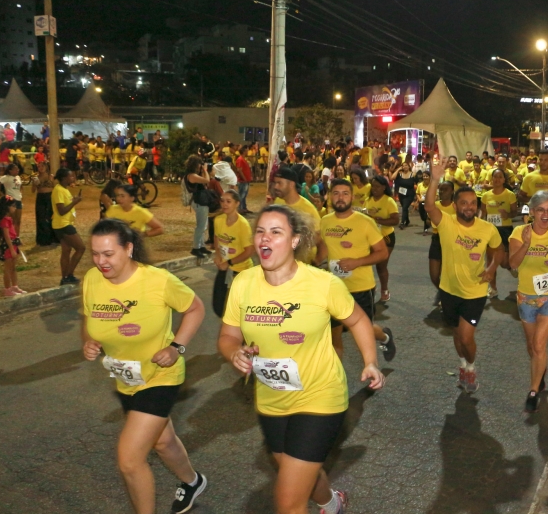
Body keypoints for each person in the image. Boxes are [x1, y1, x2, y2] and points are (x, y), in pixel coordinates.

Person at [218, 205, 385, 514]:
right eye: (260, 231)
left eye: (275, 232)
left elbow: (359, 321)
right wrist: (234, 353)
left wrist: (370, 361)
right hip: (271, 398)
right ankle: (330, 502)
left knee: (288, 501)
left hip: (319, 396)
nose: (264, 239)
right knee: (294, 468)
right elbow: (228, 337)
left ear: (295, 241)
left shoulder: (323, 284)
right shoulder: (244, 283)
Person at [81, 219, 207, 514]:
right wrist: (89, 342)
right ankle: (193, 481)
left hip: (160, 375)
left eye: (109, 254)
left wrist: (177, 347)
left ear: (128, 249)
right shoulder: (91, 278)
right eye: (95, 254)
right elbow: (89, 319)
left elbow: (195, 308)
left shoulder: (157, 280)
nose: (101, 261)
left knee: (129, 459)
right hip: (126, 379)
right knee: (162, 442)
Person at [425, 159, 503, 393]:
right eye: (463, 203)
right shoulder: (446, 223)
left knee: (467, 337)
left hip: (475, 291)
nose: (468, 207)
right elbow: (429, 206)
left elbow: (498, 250)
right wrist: (435, 179)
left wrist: (491, 269)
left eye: (472, 203)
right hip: (448, 290)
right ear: (456, 206)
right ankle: (462, 366)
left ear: (477, 206)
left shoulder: (487, 228)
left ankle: (471, 366)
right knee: (457, 334)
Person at [317, 178, 396, 361]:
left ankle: (384, 337)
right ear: (329, 197)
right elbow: (323, 249)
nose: (340, 198)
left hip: (361, 288)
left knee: (363, 331)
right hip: (334, 288)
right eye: (336, 193)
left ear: (352, 197)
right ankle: (335, 380)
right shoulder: (325, 221)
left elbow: (382, 253)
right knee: (334, 335)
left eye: (345, 193)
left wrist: (357, 262)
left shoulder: (365, 222)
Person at [508, 191, 548, 412]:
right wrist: (526, 244)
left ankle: (533, 391)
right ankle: (540, 372)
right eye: (541, 210)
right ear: (532, 211)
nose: (545, 214)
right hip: (526, 297)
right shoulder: (518, 232)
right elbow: (512, 264)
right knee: (532, 346)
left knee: (538, 344)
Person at [271, 166, 322, 263]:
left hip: (302, 263)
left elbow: (318, 239)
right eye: (275, 183)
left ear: (291, 184)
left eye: (279, 183)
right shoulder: (278, 202)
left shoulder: (308, 209)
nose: (275, 186)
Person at [480, 168, 518, 298]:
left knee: (503, 262)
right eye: (494, 177)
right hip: (491, 230)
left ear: (503, 180)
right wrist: (479, 223)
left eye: (500, 177)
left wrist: (507, 214)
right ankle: (493, 288)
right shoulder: (486, 195)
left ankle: (509, 267)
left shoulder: (509, 194)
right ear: (492, 179)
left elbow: (515, 212)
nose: (497, 179)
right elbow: (483, 212)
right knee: (491, 261)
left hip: (505, 229)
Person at [364, 175, 399, 302]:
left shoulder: (389, 201)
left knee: (381, 265)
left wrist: (379, 220)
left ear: (384, 187)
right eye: (373, 186)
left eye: (378, 187)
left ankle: (384, 289)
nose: (374, 189)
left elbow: (395, 220)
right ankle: (366, 289)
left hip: (386, 236)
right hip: (370, 237)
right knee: (365, 263)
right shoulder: (368, 200)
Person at [52, 168, 85, 285]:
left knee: (66, 250)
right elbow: (61, 210)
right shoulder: (59, 190)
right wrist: (75, 202)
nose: (73, 178)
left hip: (63, 224)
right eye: (71, 176)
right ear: (64, 178)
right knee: (81, 248)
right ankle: (68, 275)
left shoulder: (64, 189)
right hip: (63, 224)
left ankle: (64, 277)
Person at [0, 195, 25, 296]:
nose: (15, 208)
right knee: (8, 268)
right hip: (8, 247)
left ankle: (14, 286)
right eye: (13, 206)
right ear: (7, 207)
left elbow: (12, 234)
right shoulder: (4, 221)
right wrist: (12, 250)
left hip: (12, 245)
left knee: (13, 267)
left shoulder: (9, 219)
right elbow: (7, 237)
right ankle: (7, 289)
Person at [183, 156, 213, 258]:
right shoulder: (191, 176)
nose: (201, 165)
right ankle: (195, 248)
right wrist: (205, 170)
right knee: (200, 226)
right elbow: (207, 180)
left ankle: (201, 246)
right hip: (199, 202)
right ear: (196, 165)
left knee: (204, 225)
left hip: (200, 201)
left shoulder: (193, 175)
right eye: (199, 164)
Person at [32, 161, 57, 246]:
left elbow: (55, 187)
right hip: (40, 197)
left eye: (42, 166)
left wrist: (52, 181)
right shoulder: (36, 178)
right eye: (39, 166)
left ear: (46, 167)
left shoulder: (51, 176)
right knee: (41, 217)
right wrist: (35, 184)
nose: (41, 168)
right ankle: (43, 239)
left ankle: (53, 237)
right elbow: (33, 191)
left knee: (51, 216)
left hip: (49, 196)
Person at [0, 162, 23, 232]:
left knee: (18, 221)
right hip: (11, 200)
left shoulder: (18, 177)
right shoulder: (5, 177)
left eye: (18, 169)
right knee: (12, 220)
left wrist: (21, 194)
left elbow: (21, 187)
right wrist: (2, 194)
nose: (17, 170)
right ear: (10, 170)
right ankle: (11, 236)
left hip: (18, 200)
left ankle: (17, 237)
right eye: (15, 169)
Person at [391, 161, 417, 229]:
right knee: (404, 208)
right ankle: (407, 220)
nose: (405, 167)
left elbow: (417, 183)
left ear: (409, 166)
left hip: (410, 194)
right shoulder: (400, 174)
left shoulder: (413, 174)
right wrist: (398, 169)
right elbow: (392, 178)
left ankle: (402, 222)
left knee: (405, 207)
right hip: (401, 194)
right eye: (403, 165)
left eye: (406, 165)